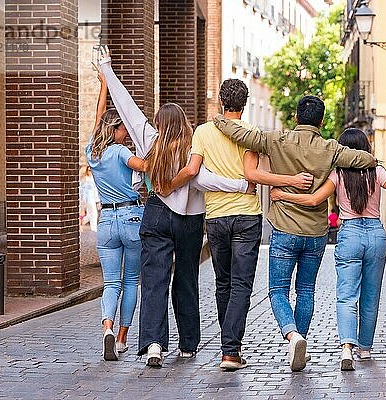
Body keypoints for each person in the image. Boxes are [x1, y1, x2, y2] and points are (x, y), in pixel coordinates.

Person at [97, 51, 263, 368]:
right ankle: (188, 344)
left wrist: (107, 68)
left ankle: (154, 345)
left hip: (157, 214)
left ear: (159, 123)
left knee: (154, 280)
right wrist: (242, 186)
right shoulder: (193, 146)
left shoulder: (150, 140)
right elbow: (205, 179)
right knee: (186, 279)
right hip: (190, 222)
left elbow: (127, 108)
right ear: (184, 123)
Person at [213, 95, 378, 372]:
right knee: (305, 291)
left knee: (278, 290)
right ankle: (300, 341)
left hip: (284, 228)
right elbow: (365, 159)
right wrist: (370, 158)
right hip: (315, 232)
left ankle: (293, 336)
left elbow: (238, 132)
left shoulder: (277, 139)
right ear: (322, 122)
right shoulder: (331, 149)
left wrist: (219, 118)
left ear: (297, 118)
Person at [270, 128, 386, 371]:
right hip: (376, 236)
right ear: (366, 148)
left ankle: (346, 347)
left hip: (350, 235)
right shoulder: (377, 172)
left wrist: (282, 195)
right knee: (370, 296)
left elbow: (314, 200)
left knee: (346, 296)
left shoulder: (338, 174)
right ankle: (365, 349)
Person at [164, 79, 314, 371]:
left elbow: (193, 170)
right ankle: (230, 351)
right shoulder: (250, 133)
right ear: (244, 104)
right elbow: (254, 174)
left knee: (224, 283)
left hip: (216, 216)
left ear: (221, 101)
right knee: (241, 285)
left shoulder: (203, 132)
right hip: (247, 215)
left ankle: (230, 347)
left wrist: (168, 185)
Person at [85, 68, 147, 362]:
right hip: (131, 217)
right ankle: (122, 338)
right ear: (115, 131)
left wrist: (103, 86)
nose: (126, 132)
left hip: (106, 221)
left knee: (111, 283)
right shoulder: (121, 152)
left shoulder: (92, 153)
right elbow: (143, 167)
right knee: (131, 280)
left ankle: (107, 328)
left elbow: (98, 120)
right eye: (123, 128)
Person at [80, 166, 100, 232]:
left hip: (93, 198)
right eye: (88, 170)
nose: (90, 172)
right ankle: (94, 228)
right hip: (88, 198)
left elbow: (96, 190)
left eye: (91, 170)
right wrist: (82, 200)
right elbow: (82, 190)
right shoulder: (86, 179)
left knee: (90, 214)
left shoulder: (94, 178)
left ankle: (81, 221)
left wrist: (97, 200)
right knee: (94, 213)